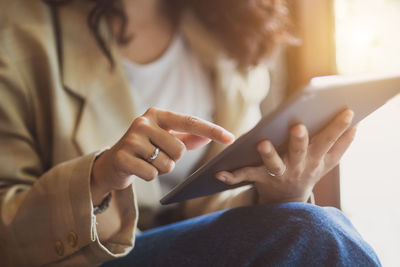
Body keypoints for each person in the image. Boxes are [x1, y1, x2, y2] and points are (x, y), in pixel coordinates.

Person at [0, 0, 381, 266]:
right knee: (316, 232)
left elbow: (210, 204)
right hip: (88, 259)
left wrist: (278, 194)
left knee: (312, 226)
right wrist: (99, 177)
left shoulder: (226, 24)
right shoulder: (17, 30)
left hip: (193, 245)